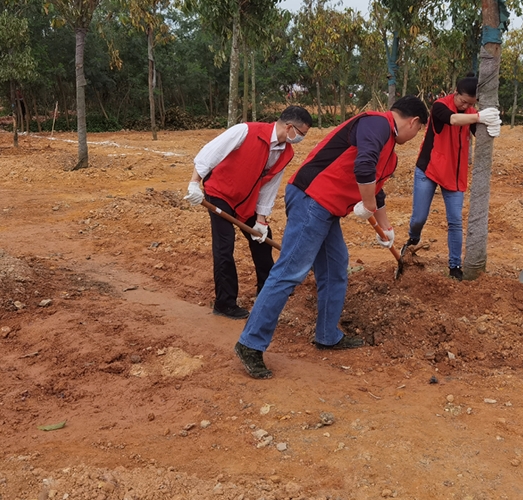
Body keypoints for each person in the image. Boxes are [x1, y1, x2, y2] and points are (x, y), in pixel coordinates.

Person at [234, 95, 429, 379]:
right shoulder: (377, 125)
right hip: (312, 198)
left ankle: (327, 335)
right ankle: (250, 344)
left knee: (336, 268)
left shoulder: (391, 153)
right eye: (419, 129)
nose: (416, 135)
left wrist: (386, 230)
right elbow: (364, 168)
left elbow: (377, 190)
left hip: (328, 208)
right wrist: (367, 205)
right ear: (413, 122)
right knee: (290, 271)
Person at [183, 106, 313, 320]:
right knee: (224, 246)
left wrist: (261, 220)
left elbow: (269, 186)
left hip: (247, 200)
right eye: (301, 134)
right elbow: (210, 152)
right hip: (221, 193)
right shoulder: (246, 131)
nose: (300, 139)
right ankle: (224, 303)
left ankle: (268, 292)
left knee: (263, 240)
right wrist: (194, 183)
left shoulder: (286, 152)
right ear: (290, 127)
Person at [401, 76, 501, 280]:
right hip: (429, 169)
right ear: (455, 92)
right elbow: (454, 120)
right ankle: (414, 237)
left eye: (471, 104)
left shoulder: (473, 113)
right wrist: (480, 117)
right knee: (419, 217)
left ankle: (455, 266)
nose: (466, 106)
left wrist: (492, 127)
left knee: (455, 221)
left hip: (455, 175)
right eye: (463, 101)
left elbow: (478, 133)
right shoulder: (439, 106)